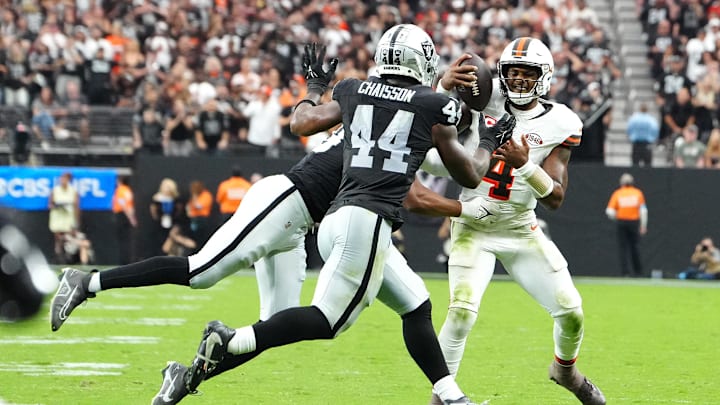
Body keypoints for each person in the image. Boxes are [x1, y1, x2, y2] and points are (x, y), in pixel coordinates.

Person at [48, 28, 511, 405]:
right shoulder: (413, 112)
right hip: (290, 200)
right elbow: (427, 145)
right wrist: (476, 142)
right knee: (203, 272)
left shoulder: (363, 97)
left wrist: (316, 88)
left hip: (324, 219)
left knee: (389, 307)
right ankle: (87, 282)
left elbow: (371, 115)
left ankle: (185, 377)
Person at [424, 37, 606, 405]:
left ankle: (565, 370)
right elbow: (425, 117)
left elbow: (554, 198)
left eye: (528, 73)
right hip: (473, 226)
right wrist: (443, 85)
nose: (520, 80)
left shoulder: (561, 122)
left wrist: (524, 164)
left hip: (520, 228)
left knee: (571, 311)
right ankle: (440, 399)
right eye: (513, 73)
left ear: (545, 76)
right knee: (460, 312)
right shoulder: (480, 103)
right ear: (501, 75)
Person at [605, 173, 648, 277]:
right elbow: (643, 211)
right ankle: (638, 272)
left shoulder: (618, 194)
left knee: (623, 248)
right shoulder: (638, 193)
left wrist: (617, 217)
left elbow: (609, 211)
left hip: (622, 222)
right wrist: (643, 225)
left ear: (622, 183)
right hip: (634, 223)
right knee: (635, 247)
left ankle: (625, 273)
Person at [48, 172, 80, 264]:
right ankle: (59, 260)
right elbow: (50, 205)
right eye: (62, 178)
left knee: (68, 240)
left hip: (68, 219)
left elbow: (76, 207)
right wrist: (57, 206)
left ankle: (69, 260)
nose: (63, 180)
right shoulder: (55, 190)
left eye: (65, 178)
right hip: (57, 218)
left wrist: (76, 222)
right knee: (58, 240)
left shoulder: (73, 191)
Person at [112, 175, 138, 264]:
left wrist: (130, 218)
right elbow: (130, 207)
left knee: (122, 241)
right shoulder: (128, 190)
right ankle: (127, 260)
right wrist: (132, 217)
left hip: (122, 216)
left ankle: (123, 261)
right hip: (126, 216)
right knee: (127, 240)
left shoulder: (121, 190)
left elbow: (123, 205)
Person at [626, 102, 660, 167]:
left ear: (640, 109)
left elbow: (629, 130)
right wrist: (652, 139)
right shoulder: (651, 119)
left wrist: (631, 137)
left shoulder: (634, 118)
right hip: (647, 145)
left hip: (636, 144)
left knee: (635, 166)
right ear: (647, 110)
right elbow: (655, 131)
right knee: (647, 166)